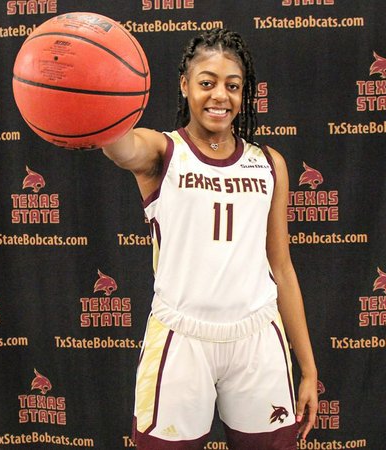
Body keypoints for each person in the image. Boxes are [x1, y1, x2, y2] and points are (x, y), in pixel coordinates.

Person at [102, 28, 318, 449]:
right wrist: (96, 100)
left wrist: (307, 368)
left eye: (233, 86)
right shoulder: (162, 152)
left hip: (257, 335)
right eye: (207, 83)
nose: (220, 95)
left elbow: (282, 267)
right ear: (185, 85)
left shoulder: (269, 164)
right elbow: (119, 146)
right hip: (181, 338)